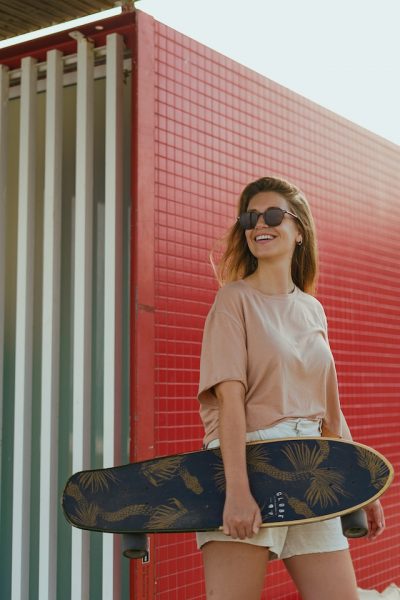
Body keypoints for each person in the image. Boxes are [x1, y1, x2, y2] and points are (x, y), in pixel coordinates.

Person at [196, 176, 385, 600]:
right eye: (250, 217)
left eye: (273, 214)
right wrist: (238, 491)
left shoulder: (312, 309)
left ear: (299, 230)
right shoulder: (233, 301)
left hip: (312, 467)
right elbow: (229, 402)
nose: (259, 223)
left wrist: (362, 484)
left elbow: (330, 414)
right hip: (248, 463)